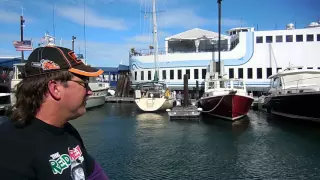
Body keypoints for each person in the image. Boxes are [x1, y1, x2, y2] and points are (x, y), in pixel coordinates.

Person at [0, 45, 109, 180]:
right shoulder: (10, 148)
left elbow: (94, 174)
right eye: (83, 83)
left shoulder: (68, 131)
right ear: (55, 88)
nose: (89, 91)